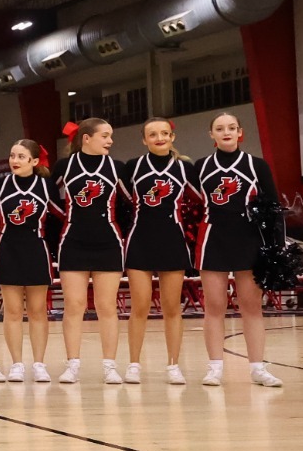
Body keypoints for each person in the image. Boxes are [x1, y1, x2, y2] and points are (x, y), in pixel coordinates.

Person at [196, 111, 282, 387]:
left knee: (251, 306)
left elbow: (274, 207)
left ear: (240, 132)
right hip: (213, 239)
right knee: (214, 305)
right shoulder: (200, 166)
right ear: (211, 135)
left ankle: (257, 367)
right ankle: (215, 367)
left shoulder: (257, 165)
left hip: (249, 239)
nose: (226, 132)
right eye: (220, 128)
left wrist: (276, 246)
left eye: (232, 127)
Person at [54, 118, 130, 385]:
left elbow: (132, 203)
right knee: (74, 305)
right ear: (86, 138)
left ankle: (109, 365)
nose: (110, 141)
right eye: (105, 136)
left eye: (110, 136)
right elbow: (48, 201)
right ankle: (72, 364)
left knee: (106, 306)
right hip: (73, 241)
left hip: (108, 242)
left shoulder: (116, 167)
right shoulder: (65, 166)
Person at [121, 117, 195, 386]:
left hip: (172, 239)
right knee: (139, 307)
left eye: (164, 133)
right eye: (153, 134)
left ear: (172, 137)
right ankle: (133, 364)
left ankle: (173, 365)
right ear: (144, 139)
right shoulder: (133, 167)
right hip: (140, 239)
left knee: (171, 307)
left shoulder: (185, 167)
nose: (159, 138)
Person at [0, 140, 58, 382]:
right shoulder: (0, 185)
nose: (15, 161)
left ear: (34, 161)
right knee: (12, 311)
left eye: (21, 156)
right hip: (8, 248)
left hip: (36, 249)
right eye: (12, 156)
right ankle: (16, 364)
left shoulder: (46, 186)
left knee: (38, 310)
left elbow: (58, 216)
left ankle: (39, 364)